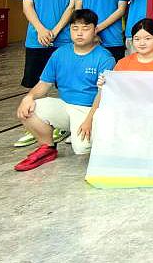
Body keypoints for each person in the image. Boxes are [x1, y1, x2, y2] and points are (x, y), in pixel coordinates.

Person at [13, 9, 115, 171]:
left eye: (85, 28)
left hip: (89, 110)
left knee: (82, 149)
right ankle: (47, 147)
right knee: (29, 109)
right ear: (70, 30)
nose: (79, 33)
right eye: (75, 28)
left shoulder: (104, 58)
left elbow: (102, 95)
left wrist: (89, 120)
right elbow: (44, 84)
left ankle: (100, 135)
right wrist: (29, 97)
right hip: (65, 105)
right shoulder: (60, 54)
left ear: (95, 30)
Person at [13, 0, 79, 147]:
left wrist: (56, 30)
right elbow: (27, 6)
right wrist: (41, 30)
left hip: (65, 40)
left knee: (66, 84)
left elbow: (72, 7)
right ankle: (34, 127)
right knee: (35, 84)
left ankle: (63, 125)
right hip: (37, 39)